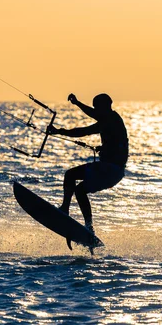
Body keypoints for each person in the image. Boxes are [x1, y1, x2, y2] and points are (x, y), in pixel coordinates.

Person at [48, 93, 129, 249]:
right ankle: (89, 226)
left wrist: (59, 131)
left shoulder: (110, 120)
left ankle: (65, 209)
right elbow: (97, 118)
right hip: (114, 172)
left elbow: (83, 131)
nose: (95, 111)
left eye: (97, 107)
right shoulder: (111, 119)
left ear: (105, 106)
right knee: (80, 191)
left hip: (109, 169)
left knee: (70, 175)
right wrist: (77, 103)